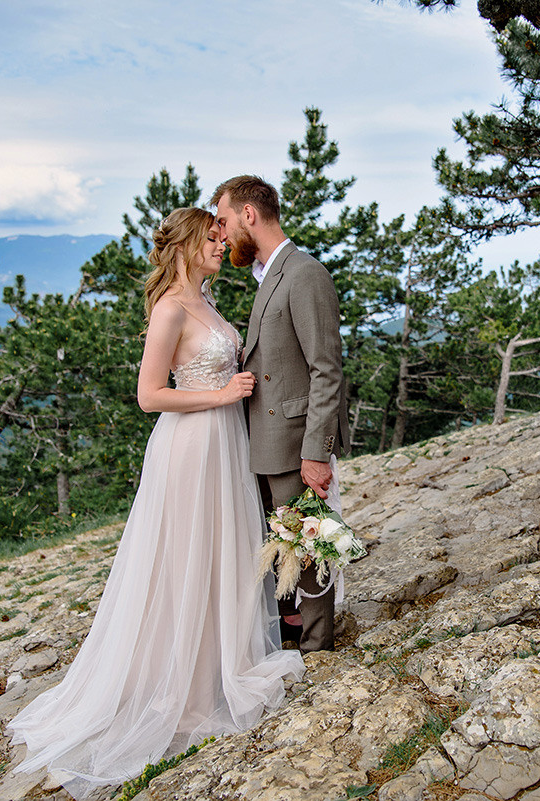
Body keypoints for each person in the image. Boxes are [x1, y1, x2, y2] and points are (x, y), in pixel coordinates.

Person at [6, 207, 304, 798]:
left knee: (220, 555)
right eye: (212, 238)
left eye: (221, 235)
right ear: (188, 245)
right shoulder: (170, 308)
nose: (222, 244)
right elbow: (149, 395)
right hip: (191, 447)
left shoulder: (206, 300)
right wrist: (221, 394)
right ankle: (185, 693)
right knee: (185, 558)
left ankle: (215, 667)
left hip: (225, 442)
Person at [210, 176, 349, 653]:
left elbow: (326, 370)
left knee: (306, 544)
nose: (222, 234)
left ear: (249, 214)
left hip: (293, 441)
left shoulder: (304, 273)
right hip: (264, 439)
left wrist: (316, 452)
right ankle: (291, 631)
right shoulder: (269, 274)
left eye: (224, 221)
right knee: (280, 546)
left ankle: (317, 645)